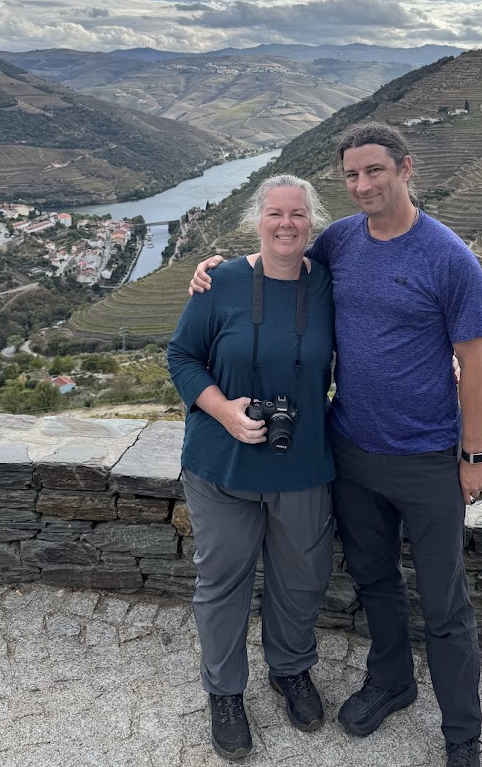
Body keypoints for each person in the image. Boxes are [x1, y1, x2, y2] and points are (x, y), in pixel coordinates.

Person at [191, 123, 482, 767]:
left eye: (375, 171)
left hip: (427, 458)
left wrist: (473, 454)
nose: (363, 185)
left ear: (405, 168)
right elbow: (278, 261)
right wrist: (215, 268)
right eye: (352, 175)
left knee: (445, 606)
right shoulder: (341, 242)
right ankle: (391, 682)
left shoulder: (448, 257)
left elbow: (477, 363)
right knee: (376, 581)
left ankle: (461, 737)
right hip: (351, 450)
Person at [168, 174, 336, 761]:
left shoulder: (329, 286)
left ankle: (289, 670)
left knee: (302, 579)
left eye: (297, 214)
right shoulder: (219, 281)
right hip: (222, 463)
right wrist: (222, 410)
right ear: (256, 220)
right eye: (274, 214)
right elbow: (182, 355)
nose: (286, 224)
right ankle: (225, 692)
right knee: (222, 582)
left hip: (303, 463)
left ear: (311, 222)